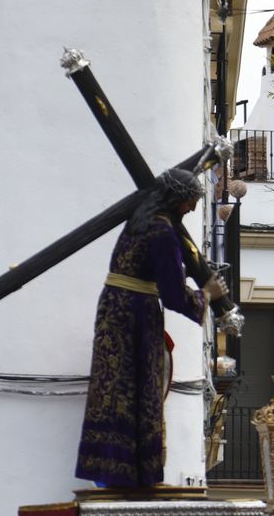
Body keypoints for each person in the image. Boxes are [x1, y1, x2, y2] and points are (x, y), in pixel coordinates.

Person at [75, 168, 226, 487]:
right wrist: (206, 295)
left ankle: (109, 471)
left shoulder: (137, 222)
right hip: (136, 317)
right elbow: (171, 294)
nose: (192, 209)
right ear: (178, 200)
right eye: (190, 202)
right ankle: (132, 474)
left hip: (113, 310)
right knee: (138, 391)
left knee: (112, 390)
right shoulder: (162, 231)